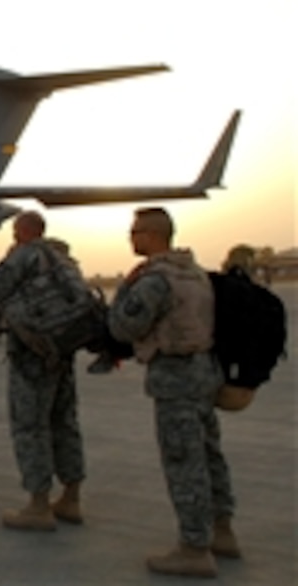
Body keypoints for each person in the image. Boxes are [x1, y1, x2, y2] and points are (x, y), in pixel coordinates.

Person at [109, 207, 237, 578]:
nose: (131, 238)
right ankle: (222, 531)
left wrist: (123, 290)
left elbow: (122, 327)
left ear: (152, 235)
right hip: (204, 372)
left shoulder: (154, 281)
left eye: (135, 232)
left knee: (183, 460)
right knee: (210, 453)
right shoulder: (193, 272)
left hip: (176, 377)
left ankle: (194, 548)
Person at [0, 211, 86, 530]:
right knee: (64, 422)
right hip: (61, 351)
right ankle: (71, 497)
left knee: (30, 426)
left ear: (22, 231)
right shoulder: (62, 258)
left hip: (31, 353)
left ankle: (38, 505)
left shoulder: (24, 256)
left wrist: (8, 259)